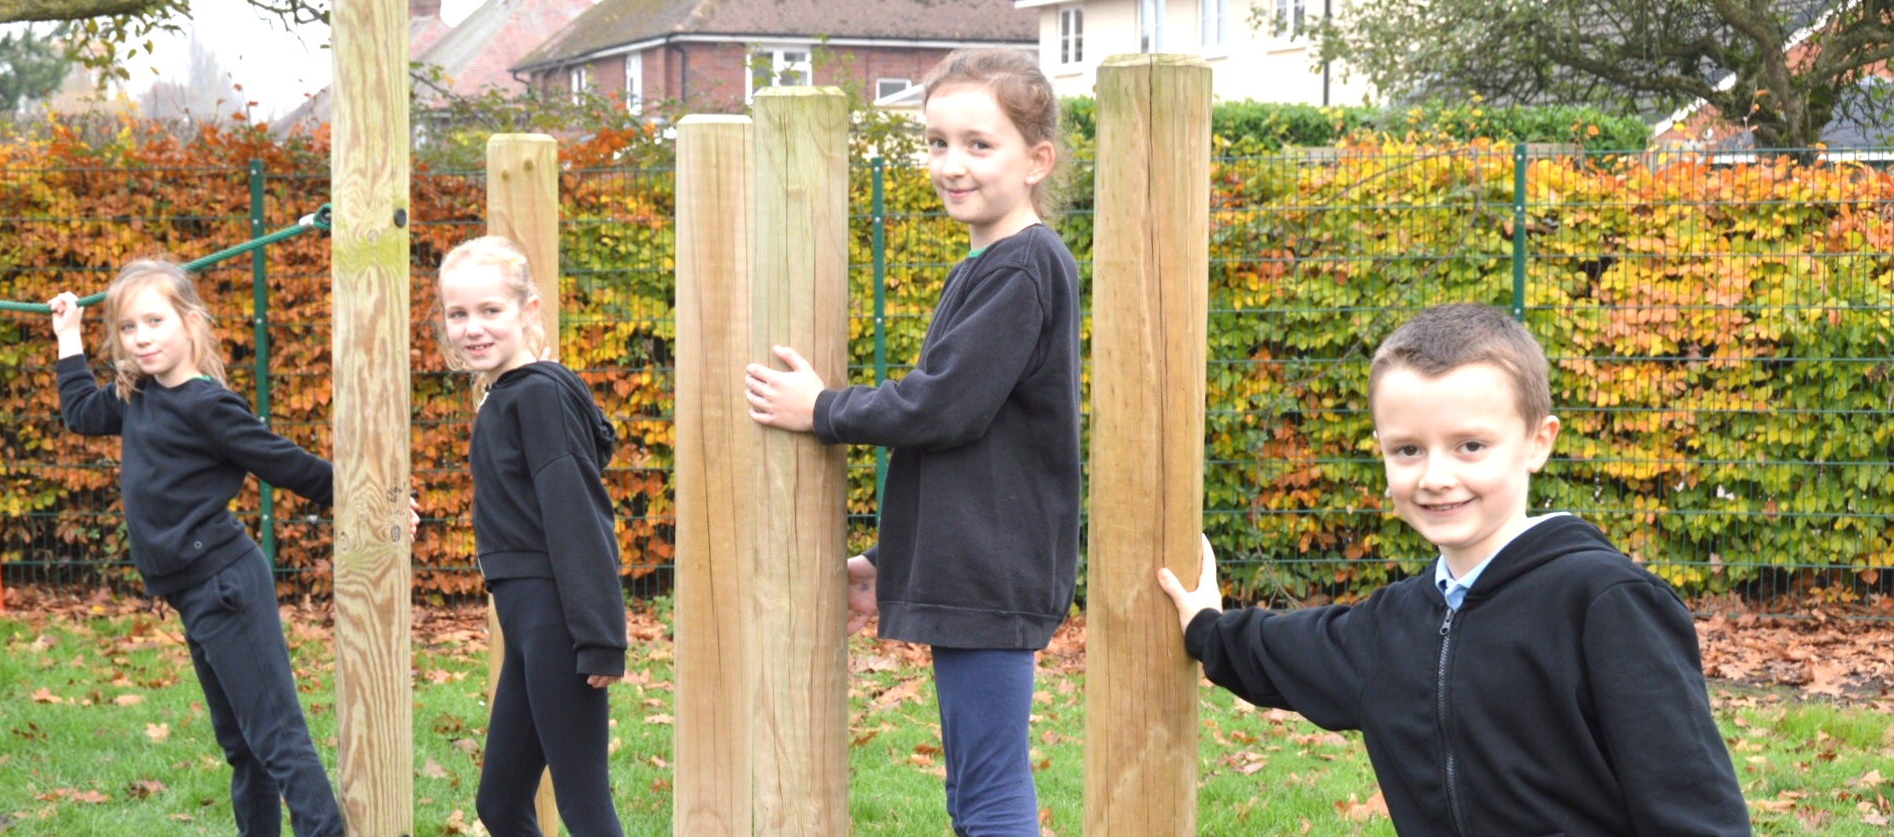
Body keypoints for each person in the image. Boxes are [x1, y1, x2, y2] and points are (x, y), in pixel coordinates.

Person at [1158, 303, 1751, 836]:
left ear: (1537, 442)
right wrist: (1207, 626)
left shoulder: (1606, 603)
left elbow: (1693, 806)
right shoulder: (1391, 627)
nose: (1436, 476)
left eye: (1470, 446)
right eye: (1408, 450)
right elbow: (1282, 651)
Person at [743, 48, 1079, 836]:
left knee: (989, 792)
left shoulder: (1023, 268)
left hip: (992, 575)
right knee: (974, 790)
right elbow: (972, 452)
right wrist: (891, 561)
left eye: (978, 144)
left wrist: (822, 408)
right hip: (974, 563)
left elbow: (943, 409)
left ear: (1037, 160)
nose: (951, 165)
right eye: (936, 143)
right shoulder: (989, 265)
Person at [50, 260, 414, 837]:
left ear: (189, 323)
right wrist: (69, 338)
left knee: (276, 736)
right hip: (193, 593)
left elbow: (283, 461)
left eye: (153, 320)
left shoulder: (208, 406)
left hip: (225, 586)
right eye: (126, 328)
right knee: (243, 746)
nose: (140, 337)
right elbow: (78, 413)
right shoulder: (136, 395)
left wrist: (371, 501)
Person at [436, 235, 626, 837]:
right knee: (499, 805)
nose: (472, 328)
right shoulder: (506, 394)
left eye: (490, 310)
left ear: (529, 312)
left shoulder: (539, 394)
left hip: (557, 621)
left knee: (584, 807)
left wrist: (598, 637)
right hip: (525, 621)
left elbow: (577, 514)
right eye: (457, 314)